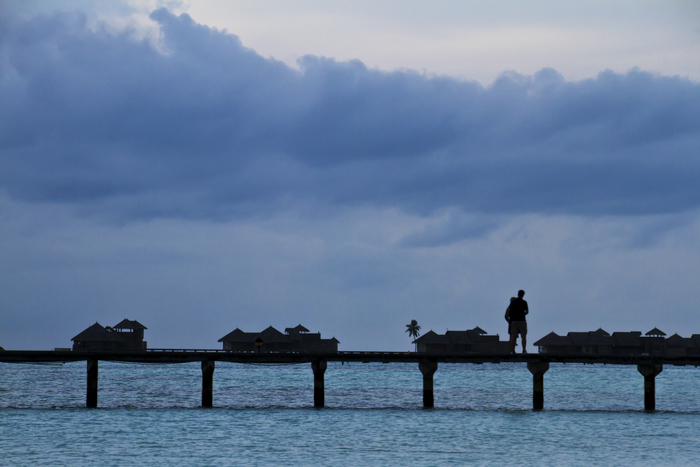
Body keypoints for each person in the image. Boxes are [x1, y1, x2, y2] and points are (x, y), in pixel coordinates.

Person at [505, 290, 529, 354]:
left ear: (517, 294)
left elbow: (508, 310)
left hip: (514, 321)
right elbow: (527, 312)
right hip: (522, 320)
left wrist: (509, 320)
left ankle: (512, 350)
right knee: (523, 336)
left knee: (513, 336)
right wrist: (523, 313)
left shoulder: (513, 302)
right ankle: (524, 350)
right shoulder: (524, 302)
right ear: (523, 295)